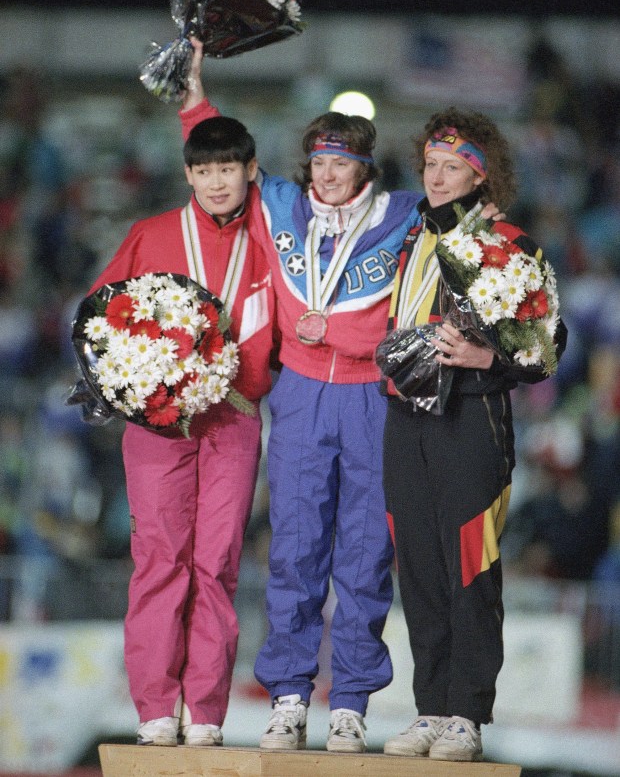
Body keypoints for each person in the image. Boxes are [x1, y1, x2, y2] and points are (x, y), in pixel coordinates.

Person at [180, 45, 503, 753]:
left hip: (370, 398)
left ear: (365, 168)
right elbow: (221, 159)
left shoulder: (401, 214)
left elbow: (466, 208)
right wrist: (192, 99)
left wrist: (490, 203)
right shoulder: (283, 205)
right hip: (297, 394)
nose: (329, 175)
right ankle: (290, 695)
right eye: (320, 162)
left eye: (343, 163)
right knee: (295, 548)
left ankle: (350, 700)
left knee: (364, 553)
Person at [380, 109, 567, 762]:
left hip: (472, 422)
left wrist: (490, 359)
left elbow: (547, 347)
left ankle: (467, 713)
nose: (435, 177)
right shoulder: (411, 240)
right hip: (406, 422)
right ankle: (430, 707)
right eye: (429, 165)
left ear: (481, 176)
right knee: (422, 573)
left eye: (451, 167)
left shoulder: (511, 244)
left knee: (470, 570)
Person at [87, 112, 277, 747]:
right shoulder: (151, 233)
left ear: (250, 171)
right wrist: (129, 388)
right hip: (159, 424)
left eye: (228, 168)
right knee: (160, 558)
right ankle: (154, 708)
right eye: (203, 169)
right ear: (187, 172)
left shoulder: (270, 236)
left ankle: (206, 712)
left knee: (217, 563)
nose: (216, 181)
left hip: (235, 419)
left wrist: (198, 99)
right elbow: (99, 323)